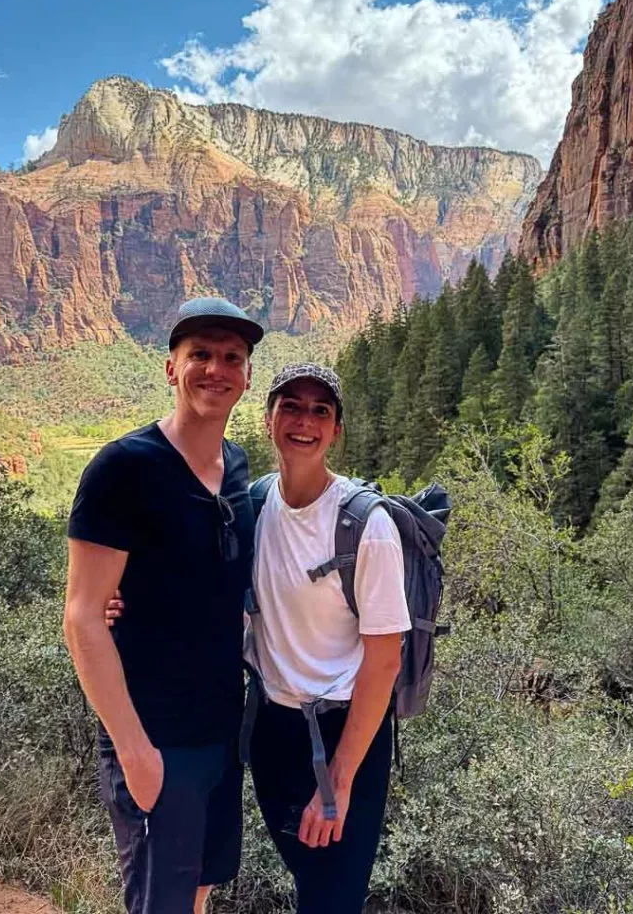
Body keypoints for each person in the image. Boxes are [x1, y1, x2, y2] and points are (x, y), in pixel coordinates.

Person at [108, 362, 410, 914]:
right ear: (269, 418)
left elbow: (384, 661)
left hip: (344, 737)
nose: (305, 421)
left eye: (321, 410)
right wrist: (121, 598)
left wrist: (338, 782)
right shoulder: (256, 501)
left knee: (330, 898)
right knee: (303, 873)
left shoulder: (368, 526)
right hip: (272, 729)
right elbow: (202, 578)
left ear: (337, 429)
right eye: (291, 406)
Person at [63, 296, 264, 914]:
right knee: (159, 903)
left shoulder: (237, 467)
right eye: (199, 354)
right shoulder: (123, 469)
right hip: (156, 737)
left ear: (247, 376)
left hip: (220, 732)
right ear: (170, 368)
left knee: (199, 890)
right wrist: (133, 750)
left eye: (231, 357)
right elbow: (81, 618)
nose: (216, 369)